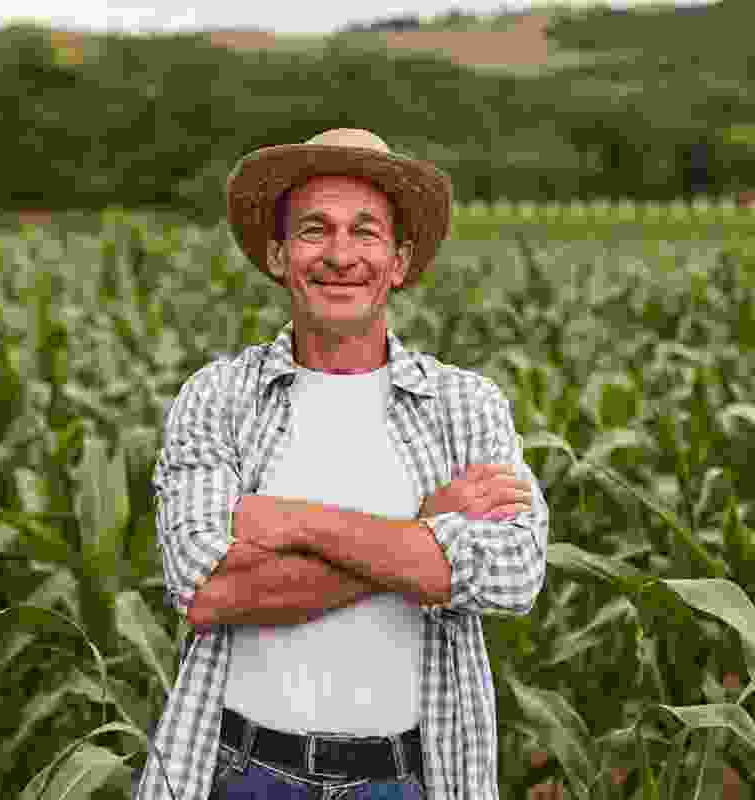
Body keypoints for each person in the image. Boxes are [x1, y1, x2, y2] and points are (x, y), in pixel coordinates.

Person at [134, 128, 549, 800]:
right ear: (279, 254)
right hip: (242, 772)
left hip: (406, 777)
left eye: (365, 232)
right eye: (314, 230)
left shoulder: (465, 404)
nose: (340, 255)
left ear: (399, 261)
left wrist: (293, 522)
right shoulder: (218, 397)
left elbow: (513, 574)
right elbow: (208, 592)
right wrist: (424, 536)